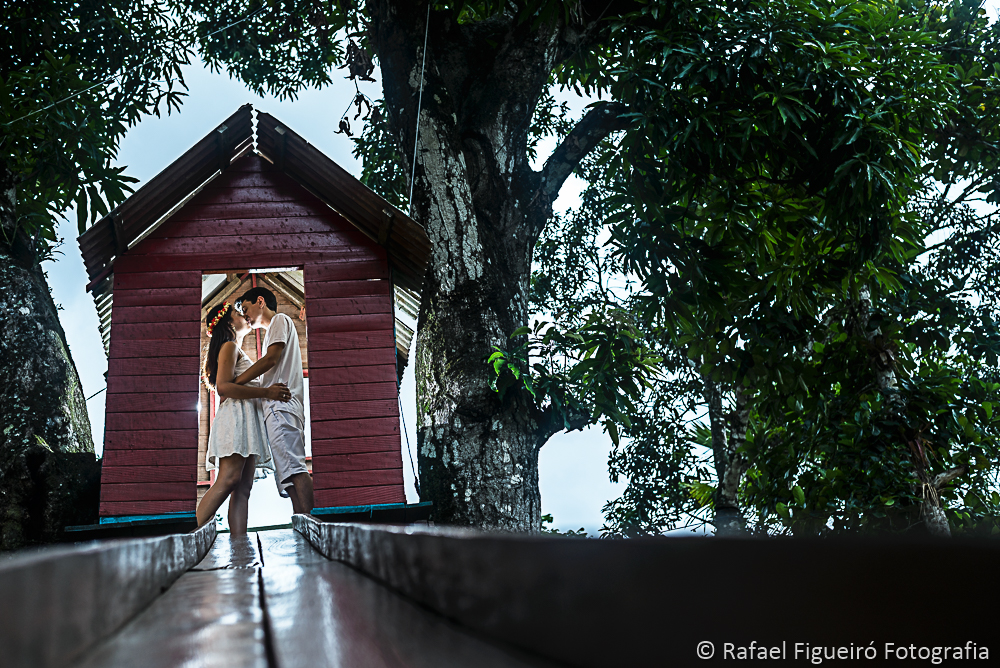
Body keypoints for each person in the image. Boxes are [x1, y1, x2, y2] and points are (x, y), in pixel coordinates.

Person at [195, 301, 292, 533]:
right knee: (229, 478)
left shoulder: (233, 348)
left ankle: (239, 543)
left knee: (244, 488)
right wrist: (267, 392)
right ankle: (186, 533)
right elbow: (224, 388)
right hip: (235, 418)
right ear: (229, 321)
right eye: (238, 313)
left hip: (248, 420)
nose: (244, 316)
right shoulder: (228, 346)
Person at [235, 286, 314, 514]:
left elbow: (271, 359)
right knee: (287, 476)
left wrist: (237, 383)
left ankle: (316, 523)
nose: (245, 315)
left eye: (246, 308)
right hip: (276, 410)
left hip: (282, 406)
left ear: (260, 301)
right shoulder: (272, 331)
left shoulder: (280, 320)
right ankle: (301, 520)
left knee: (295, 468)